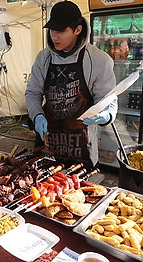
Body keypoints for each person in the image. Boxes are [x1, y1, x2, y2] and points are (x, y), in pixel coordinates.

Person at [25, 1, 117, 169]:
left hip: (81, 145)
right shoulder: (43, 58)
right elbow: (33, 92)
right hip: (47, 141)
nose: (54, 36)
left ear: (77, 30)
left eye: (61, 31)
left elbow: (108, 99)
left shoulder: (99, 60)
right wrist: (37, 115)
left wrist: (107, 114)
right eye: (52, 30)